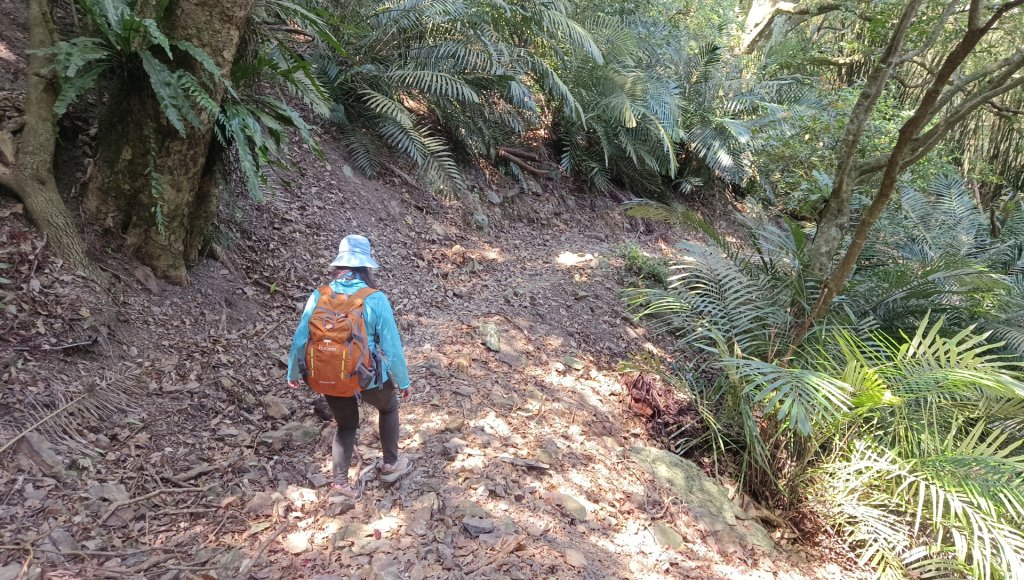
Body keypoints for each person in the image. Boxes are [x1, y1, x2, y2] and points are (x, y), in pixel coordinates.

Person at [287, 235, 413, 500]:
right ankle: (391, 464)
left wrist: (294, 372)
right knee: (388, 407)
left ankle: (340, 485)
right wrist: (403, 381)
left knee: (346, 425)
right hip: (368, 376)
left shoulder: (319, 295)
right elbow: (391, 346)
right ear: (365, 267)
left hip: (329, 372)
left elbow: (300, 338)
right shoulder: (374, 298)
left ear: (339, 265)